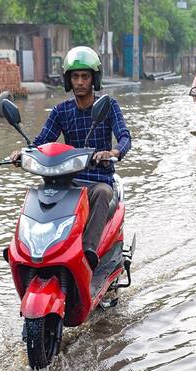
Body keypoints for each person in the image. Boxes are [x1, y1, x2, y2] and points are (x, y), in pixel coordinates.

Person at [10, 46, 131, 271]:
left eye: (85, 76)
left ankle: (89, 253)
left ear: (94, 79)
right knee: (38, 194)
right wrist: (23, 153)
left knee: (104, 192)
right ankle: (26, 250)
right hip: (67, 181)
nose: (80, 82)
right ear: (68, 80)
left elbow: (124, 137)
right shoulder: (61, 111)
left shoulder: (108, 105)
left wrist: (113, 153)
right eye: (75, 77)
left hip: (97, 181)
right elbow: (42, 141)